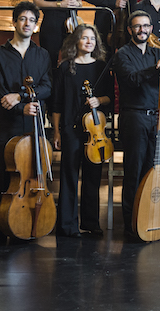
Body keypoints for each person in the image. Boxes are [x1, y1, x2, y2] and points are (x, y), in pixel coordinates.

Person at [0, 1, 52, 245]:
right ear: (14, 22)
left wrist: (23, 98)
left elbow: (46, 87)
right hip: (8, 124)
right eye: (22, 19)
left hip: (34, 123)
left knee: (33, 173)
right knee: (4, 175)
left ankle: (28, 222)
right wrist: (20, 106)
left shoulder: (42, 55)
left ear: (36, 26)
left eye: (31, 21)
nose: (26, 24)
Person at [111, 10, 160, 238]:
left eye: (146, 26)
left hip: (156, 119)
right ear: (130, 30)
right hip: (134, 118)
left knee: (154, 170)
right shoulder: (122, 54)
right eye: (137, 26)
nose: (143, 30)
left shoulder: (156, 52)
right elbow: (132, 80)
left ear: (151, 28)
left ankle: (153, 218)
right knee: (134, 171)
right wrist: (159, 67)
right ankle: (132, 226)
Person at [52, 24, 113, 238]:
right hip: (70, 128)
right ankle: (67, 224)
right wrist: (57, 132)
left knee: (93, 177)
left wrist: (99, 99)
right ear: (76, 41)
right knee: (69, 176)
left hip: (94, 131)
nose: (89, 42)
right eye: (85, 38)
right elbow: (57, 103)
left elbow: (110, 99)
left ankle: (91, 223)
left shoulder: (101, 67)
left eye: (92, 39)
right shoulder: (65, 67)